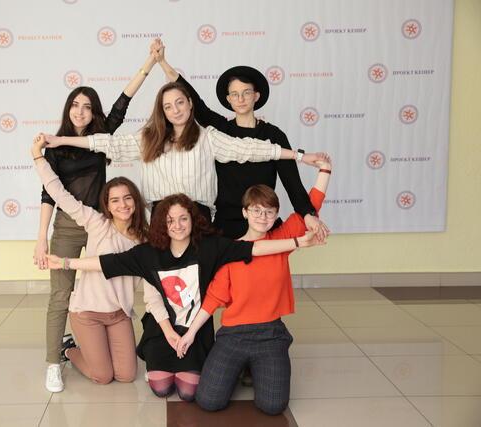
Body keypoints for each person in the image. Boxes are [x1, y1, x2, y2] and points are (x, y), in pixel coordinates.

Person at [45, 193, 324, 401]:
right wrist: (66, 263)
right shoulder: (149, 253)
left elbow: (253, 250)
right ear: (161, 224)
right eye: (170, 220)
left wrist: (298, 242)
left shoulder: (211, 248)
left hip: (196, 332)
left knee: (190, 393)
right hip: (162, 332)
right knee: (162, 389)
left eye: (183, 218)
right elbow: (107, 262)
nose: (177, 225)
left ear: (193, 220)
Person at [36, 46, 157, 393]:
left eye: (88, 106)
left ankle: (99, 339)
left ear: (94, 113)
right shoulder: (55, 147)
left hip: (101, 226)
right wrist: (41, 237)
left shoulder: (100, 138)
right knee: (61, 295)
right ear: (67, 108)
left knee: (103, 287)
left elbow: (124, 100)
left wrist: (149, 62)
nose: (81, 111)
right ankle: (53, 361)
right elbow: (50, 194)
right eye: (76, 104)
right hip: (71, 227)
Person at [42, 81, 329, 222]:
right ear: (162, 111)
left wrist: (301, 156)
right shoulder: (149, 138)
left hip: (199, 217)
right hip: (160, 216)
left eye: (180, 103)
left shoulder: (209, 137)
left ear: (190, 104)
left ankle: (199, 340)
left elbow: (252, 149)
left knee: (198, 285)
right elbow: (105, 142)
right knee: (165, 284)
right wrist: (61, 141)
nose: (175, 110)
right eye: (168, 106)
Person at [175, 158, 332, 414]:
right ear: (245, 212)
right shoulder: (230, 250)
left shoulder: (282, 239)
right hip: (233, 336)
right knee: (209, 401)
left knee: (272, 406)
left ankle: (256, 367)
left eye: (270, 212)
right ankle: (239, 368)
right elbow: (213, 298)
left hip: (270, 335)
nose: (263, 217)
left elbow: (312, 203)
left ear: (275, 216)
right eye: (256, 210)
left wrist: (325, 170)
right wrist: (190, 334)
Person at [154, 40, 329, 240]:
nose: (241, 99)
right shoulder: (220, 129)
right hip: (224, 226)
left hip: (261, 223)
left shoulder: (274, 136)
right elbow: (196, 102)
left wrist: (308, 214)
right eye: (235, 94)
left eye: (246, 93)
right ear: (228, 99)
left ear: (256, 96)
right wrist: (162, 62)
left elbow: (292, 182)